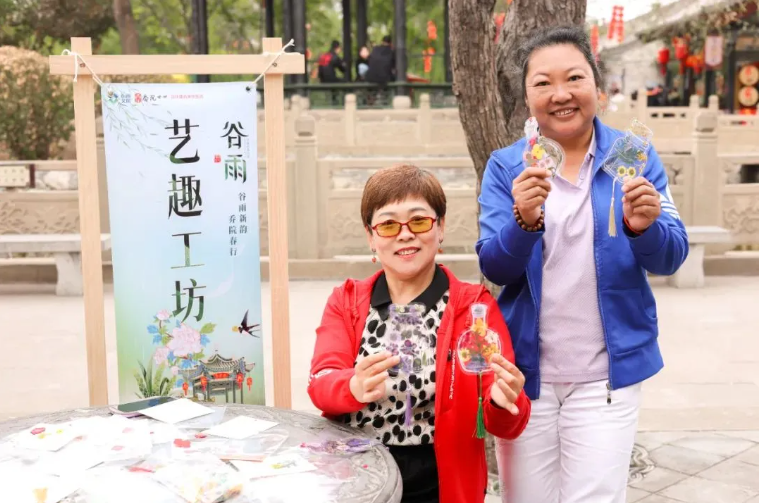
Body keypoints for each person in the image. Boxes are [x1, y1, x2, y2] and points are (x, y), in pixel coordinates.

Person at [476, 26, 688, 503]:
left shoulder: (632, 157)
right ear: (526, 97)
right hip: (525, 376)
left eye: (574, 78)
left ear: (597, 84)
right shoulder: (507, 167)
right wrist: (523, 221)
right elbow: (495, 267)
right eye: (543, 83)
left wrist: (644, 227)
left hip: (606, 378)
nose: (561, 94)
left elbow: (672, 255)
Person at [308, 164, 531, 503]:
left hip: (440, 480)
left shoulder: (474, 309)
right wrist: (352, 385)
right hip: (357, 475)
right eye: (388, 224)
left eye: (419, 221)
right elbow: (321, 385)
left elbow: (506, 425)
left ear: (440, 227)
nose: (405, 234)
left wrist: (504, 401)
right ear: (370, 237)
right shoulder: (347, 301)